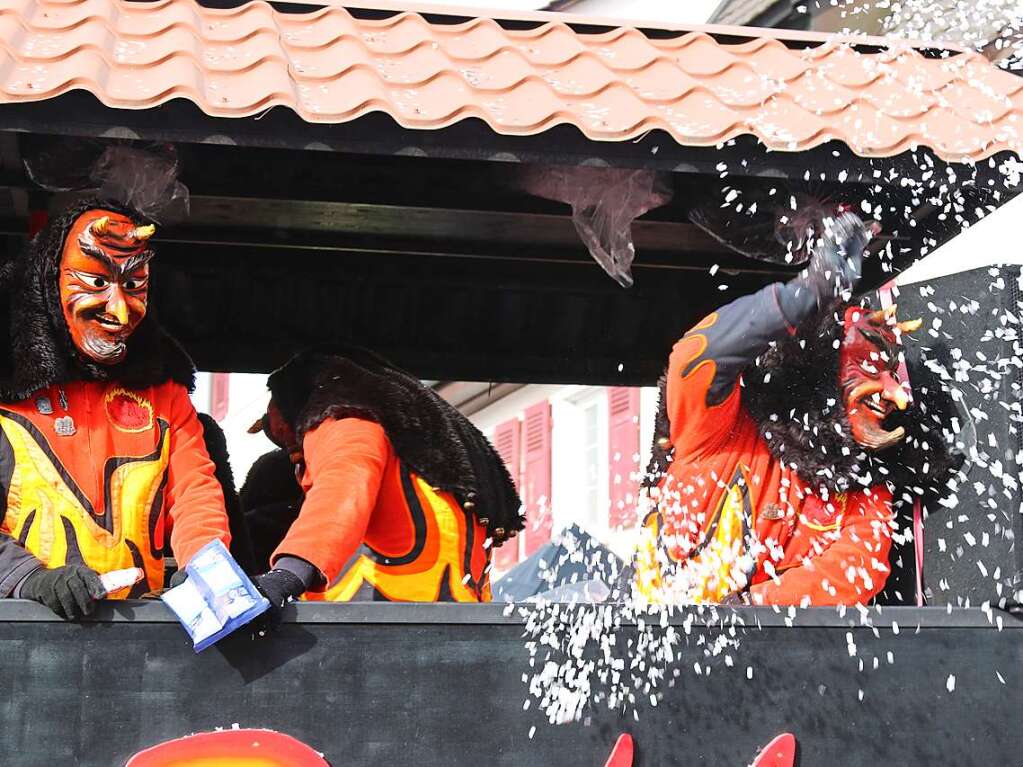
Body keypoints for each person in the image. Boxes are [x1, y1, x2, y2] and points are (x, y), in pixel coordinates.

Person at [634, 210, 926, 606]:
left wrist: (754, 607)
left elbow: (862, 565)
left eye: (890, 372)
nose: (895, 394)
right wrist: (807, 295)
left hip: (773, 655)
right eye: (871, 366)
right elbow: (693, 357)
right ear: (821, 369)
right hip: (667, 644)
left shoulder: (863, 481)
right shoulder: (718, 431)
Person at [0, 166, 231, 619]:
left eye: (134, 284)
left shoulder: (166, 398)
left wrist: (206, 567)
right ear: (48, 281)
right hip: (19, 640)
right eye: (97, 282)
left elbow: (195, 494)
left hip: (140, 643)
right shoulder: (6, 399)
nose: (120, 309)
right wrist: (32, 578)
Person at [240, 345, 522, 610]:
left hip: (372, 624)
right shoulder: (421, 448)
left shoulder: (347, 419)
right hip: (454, 626)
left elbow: (342, 490)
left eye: (294, 447)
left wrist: (288, 574)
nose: (296, 461)